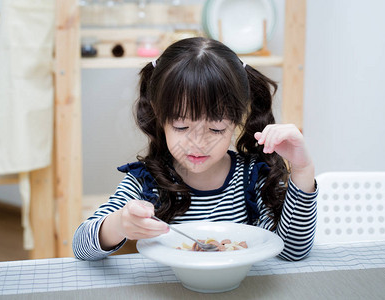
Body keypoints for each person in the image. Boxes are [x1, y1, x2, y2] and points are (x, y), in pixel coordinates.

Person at [73, 37, 318, 261]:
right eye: (181, 126)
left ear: (236, 121)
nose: (197, 143)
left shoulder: (252, 177)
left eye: (216, 129)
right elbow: (80, 247)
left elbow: (293, 252)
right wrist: (118, 225)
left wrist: (302, 169)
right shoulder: (148, 181)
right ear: (160, 117)